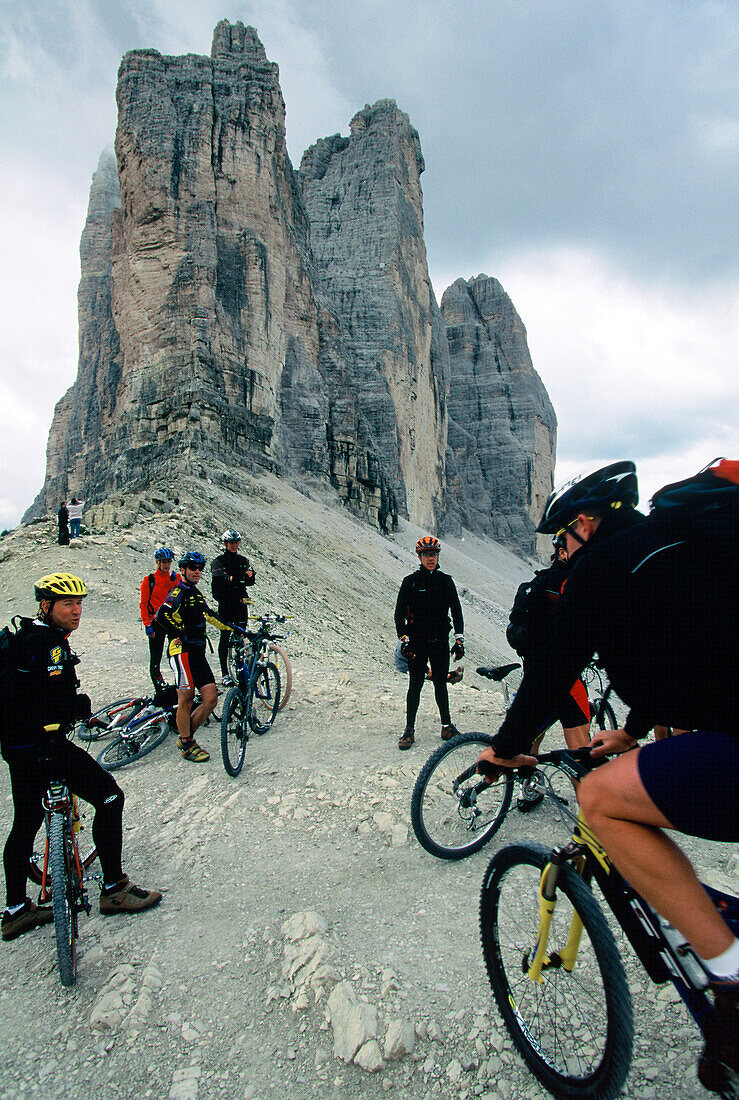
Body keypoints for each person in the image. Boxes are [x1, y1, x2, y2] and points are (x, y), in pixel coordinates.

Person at [477, 459, 739, 1094]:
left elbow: (553, 664)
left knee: (599, 798)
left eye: (562, 538)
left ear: (586, 524)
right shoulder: (673, 549)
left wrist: (507, 749)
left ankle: (733, 980)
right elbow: (688, 656)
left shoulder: (600, 564)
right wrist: (632, 728)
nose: (560, 553)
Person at [1, 573, 161, 941]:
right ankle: (114, 889)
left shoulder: (23, 636)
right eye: (68, 604)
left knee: (25, 822)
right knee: (109, 797)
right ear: (46, 606)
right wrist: (80, 709)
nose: (77, 611)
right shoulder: (50, 646)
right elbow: (55, 700)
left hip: (16, 747)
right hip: (47, 747)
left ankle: (15, 911)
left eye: (79, 603)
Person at [505, 535, 591, 811]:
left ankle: (528, 789)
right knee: (580, 741)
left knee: (534, 732)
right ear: (564, 552)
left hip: (534, 669)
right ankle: (590, 816)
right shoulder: (567, 581)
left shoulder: (541, 581)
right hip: (562, 673)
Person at [156, 551, 235, 763]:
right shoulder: (178, 592)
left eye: (200, 569)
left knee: (210, 699)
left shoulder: (195, 593)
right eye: (193, 568)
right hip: (181, 652)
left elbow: (210, 615)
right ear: (182, 570)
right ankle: (187, 742)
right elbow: (161, 614)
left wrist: (234, 629)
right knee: (187, 698)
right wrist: (177, 633)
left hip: (198, 652)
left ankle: (185, 737)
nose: (197, 572)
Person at [394, 536, 465, 750]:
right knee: (414, 685)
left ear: (437, 556)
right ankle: (409, 730)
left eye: (433, 555)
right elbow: (399, 615)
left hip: (440, 640)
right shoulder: (410, 582)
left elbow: (456, 610)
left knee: (440, 683)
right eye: (426, 555)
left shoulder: (446, 581)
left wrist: (459, 639)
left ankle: (446, 726)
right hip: (417, 642)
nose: (430, 559)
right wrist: (404, 640)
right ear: (419, 557)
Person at [210, 530, 255, 686]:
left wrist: (232, 578)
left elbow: (250, 581)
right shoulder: (218, 561)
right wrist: (240, 578)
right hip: (225, 604)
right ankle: (224, 673)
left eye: (236, 543)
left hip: (241, 603)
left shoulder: (243, 560)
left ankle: (242, 672)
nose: (234, 545)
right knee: (225, 637)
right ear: (225, 544)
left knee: (241, 636)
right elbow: (218, 584)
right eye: (231, 543)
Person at [139, 548, 180, 691]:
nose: (167, 565)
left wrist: (176, 582)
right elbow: (144, 603)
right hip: (155, 622)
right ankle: (159, 687)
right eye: (164, 562)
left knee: (176, 653)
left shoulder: (175, 578)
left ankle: (180, 681)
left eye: (169, 562)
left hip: (171, 621)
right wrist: (147, 623)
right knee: (155, 656)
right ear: (158, 562)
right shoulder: (149, 580)